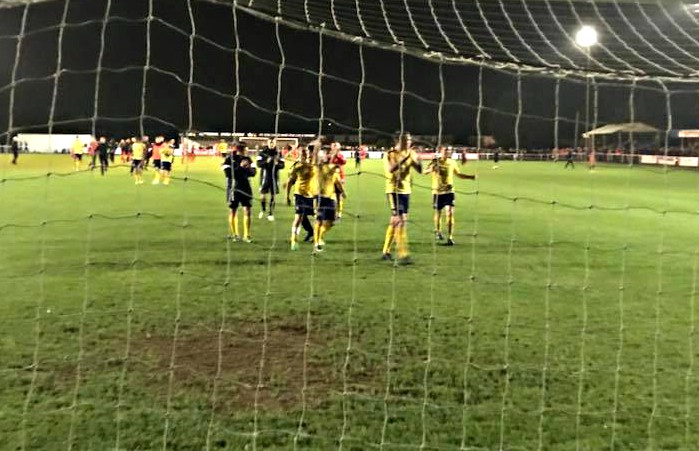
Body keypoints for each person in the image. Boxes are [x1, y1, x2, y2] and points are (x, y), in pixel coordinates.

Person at [382, 134, 422, 265]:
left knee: (395, 221)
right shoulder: (391, 153)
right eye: (406, 140)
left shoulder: (411, 153)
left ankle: (386, 251)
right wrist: (406, 158)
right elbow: (391, 169)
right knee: (400, 221)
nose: (409, 142)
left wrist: (418, 159)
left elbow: (419, 170)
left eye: (410, 139)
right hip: (393, 191)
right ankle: (403, 253)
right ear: (398, 141)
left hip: (406, 191)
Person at [424, 147, 476, 246]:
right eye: (446, 150)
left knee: (450, 213)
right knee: (438, 213)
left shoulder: (452, 162)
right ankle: (438, 231)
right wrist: (431, 169)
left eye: (449, 151)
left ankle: (450, 237)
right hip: (437, 192)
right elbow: (425, 172)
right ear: (441, 152)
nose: (448, 152)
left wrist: (470, 177)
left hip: (449, 191)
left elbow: (458, 174)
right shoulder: (436, 161)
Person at [223, 144, 256, 242]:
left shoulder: (248, 159)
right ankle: (235, 234)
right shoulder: (229, 160)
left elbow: (253, 173)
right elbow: (229, 174)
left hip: (246, 188)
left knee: (248, 210)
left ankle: (247, 235)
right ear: (237, 150)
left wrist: (248, 168)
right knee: (233, 211)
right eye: (243, 150)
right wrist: (242, 167)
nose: (244, 152)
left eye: (245, 151)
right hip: (233, 188)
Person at [286, 146, 317, 251]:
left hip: (312, 195)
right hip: (299, 194)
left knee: (317, 216)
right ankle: (294, 239)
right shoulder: (298, 166)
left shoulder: (315, 164)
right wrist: (287, 196)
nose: (307, 154)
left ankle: (315, 235)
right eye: (305, 153)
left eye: (309, 152)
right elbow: (290, 181)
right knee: (298, 217)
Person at [257, 140, 285, 221]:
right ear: (268, 143)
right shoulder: (262, 153)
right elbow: (259, 164)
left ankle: (271, 213)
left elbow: (282, 165)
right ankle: (263, 210)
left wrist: (277, 164)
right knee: (263, 195)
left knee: (273, 195)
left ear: (275, 143)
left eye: (273, 143)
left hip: (274, 177)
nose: (272, 144)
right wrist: (266, 161)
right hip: (265, 177)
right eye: (270, 142)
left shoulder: (278, 153)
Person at [330, 142, 347, 219]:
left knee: (339, 196)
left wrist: (337, 156)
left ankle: (339, 212)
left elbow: (344, 162)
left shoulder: (341, 155)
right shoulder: (330, 155)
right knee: (331, 196)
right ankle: (333, 212)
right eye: (333, 147)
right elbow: (329, 164)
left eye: (335, 147)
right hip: (331, 178)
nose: (334, 148)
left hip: (340, 177)